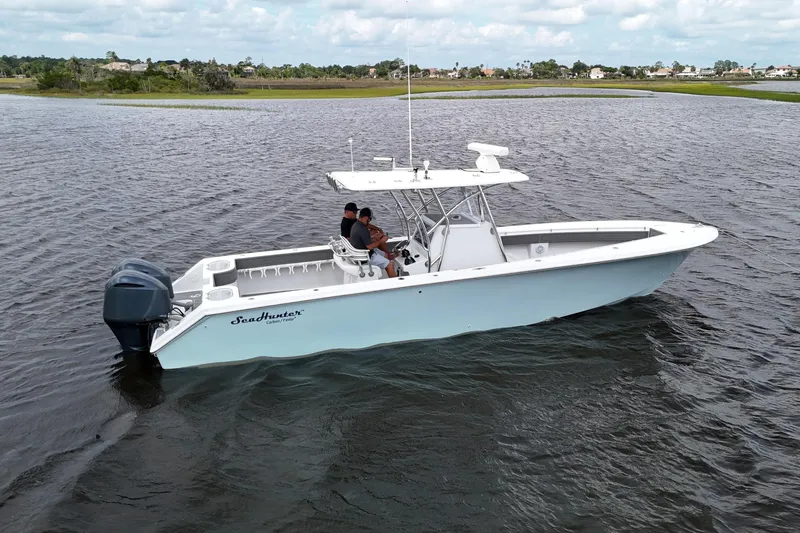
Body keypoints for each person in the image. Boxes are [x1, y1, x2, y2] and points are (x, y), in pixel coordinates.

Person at [349, 207, 397, 278]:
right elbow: (370, 246)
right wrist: (381, 241)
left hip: (361, 253)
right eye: (370, 219)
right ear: (365, 218)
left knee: (386, 255)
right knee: (389, 264)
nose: (370, 221)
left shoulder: (356, 225)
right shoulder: (363, 229)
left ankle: (391, 273)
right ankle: (396, 283)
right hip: (366, 257)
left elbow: (364, 240)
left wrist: (375, 237)